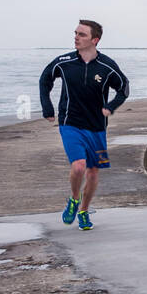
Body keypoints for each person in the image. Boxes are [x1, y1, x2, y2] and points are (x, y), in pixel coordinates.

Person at [39, 19, 130, 231]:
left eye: (82, 35)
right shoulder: (64, 62)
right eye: (76, 33)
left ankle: (84, 210)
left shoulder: (107, 66)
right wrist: (47, 108)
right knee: (78, 165)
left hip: (97, 127)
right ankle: (73, 199)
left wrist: (111, 106)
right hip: (70, 123)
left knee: (93, 172)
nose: (76, 37)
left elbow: (124, 88)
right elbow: (45, 80)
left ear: (95, 40)